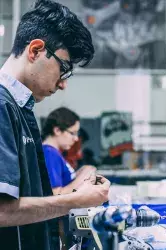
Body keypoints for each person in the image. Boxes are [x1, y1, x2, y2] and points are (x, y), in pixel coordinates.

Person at [0, 1, 110, 250]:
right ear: (36, 50)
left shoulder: (19, 108)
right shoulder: (2, 106)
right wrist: (75, 200)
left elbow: (26, 201)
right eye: (64, 69)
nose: (63, 84)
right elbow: (3, 212)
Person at [42, 107, 96, 195]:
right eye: (73, 133)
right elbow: (56, 195)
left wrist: (79, 173)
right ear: (57, 130)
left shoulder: (54, 153)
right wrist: (82, 177)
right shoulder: (50, 154)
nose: (76, 138)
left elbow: (65, 184)